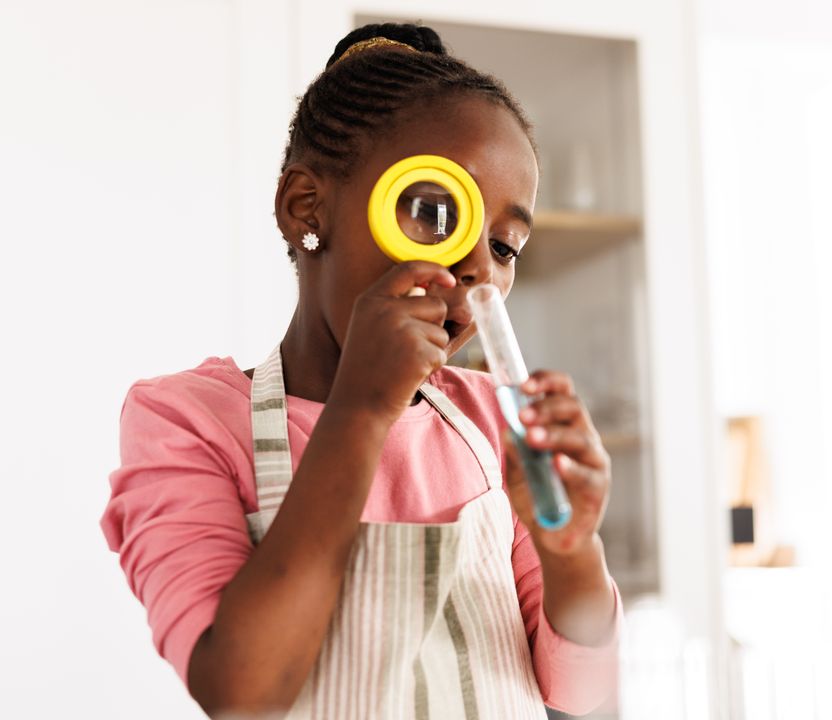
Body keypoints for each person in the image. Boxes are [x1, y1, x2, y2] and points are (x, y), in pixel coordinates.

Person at [100, 22, 622, 719]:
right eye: (435, 211)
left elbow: (582, 694)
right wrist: (361, 413)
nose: (475, 267)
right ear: (305, 209)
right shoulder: (183, 423)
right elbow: (241, 691)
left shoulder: (494, 422)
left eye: (504, 245)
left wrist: (572, 550)